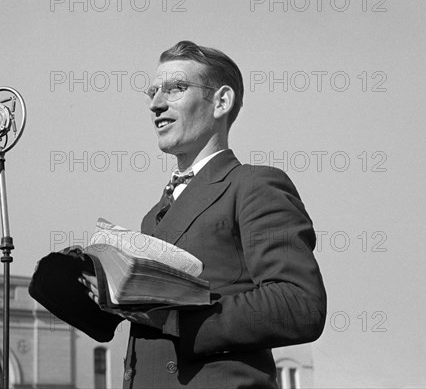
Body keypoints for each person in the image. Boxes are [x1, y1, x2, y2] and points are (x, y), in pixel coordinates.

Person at [77, 40, 327, 388]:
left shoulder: (253, 185)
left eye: (175, 88)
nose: (155, 103)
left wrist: (177, 319)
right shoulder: (154, 217)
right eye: (153, 91)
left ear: (221, 102)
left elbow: (299, 305)